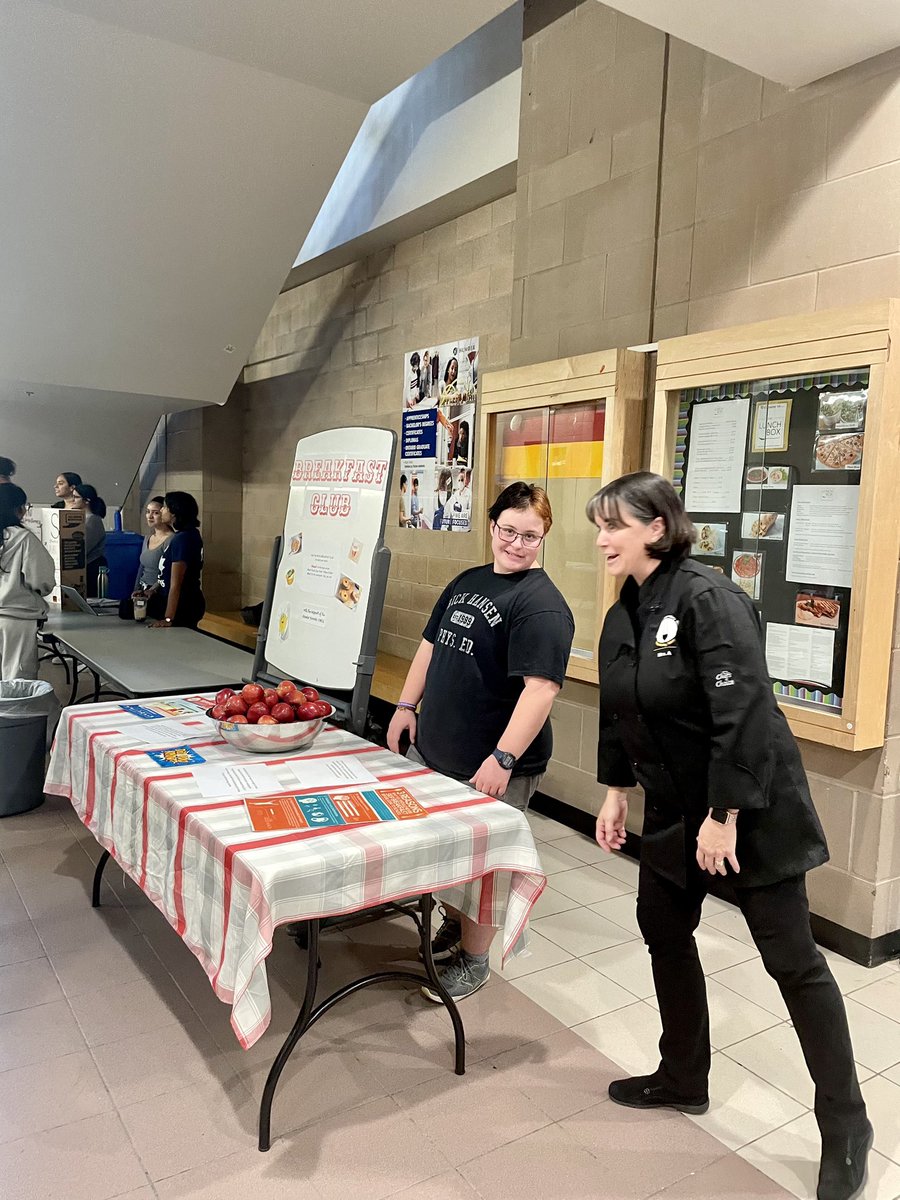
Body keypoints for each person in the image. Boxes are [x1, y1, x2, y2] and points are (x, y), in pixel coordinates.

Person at [589, 471, 871, 1200]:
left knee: (792, 961)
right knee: (662, 928)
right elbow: (620, 706)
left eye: (613, 525)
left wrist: (725, 815)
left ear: (656, 527)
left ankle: (847, 1125)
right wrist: (616, 791)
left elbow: (742, 712)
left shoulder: (710, 598)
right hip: (675, 811)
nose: (602, 538)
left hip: (749, 813)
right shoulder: (625, 608)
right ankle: (683, 1074)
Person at [387, 481, 574, 1001]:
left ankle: (475, 961)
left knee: (484, 871)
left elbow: (540, 692)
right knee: (446, 859)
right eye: (508, 531)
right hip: (437, 751)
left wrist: (503, 757)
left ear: (545, 537)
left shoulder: (542, 606)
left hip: (492, 766)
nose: (517, 544)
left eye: (530, 536)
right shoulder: (469, 580)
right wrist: (405, 707)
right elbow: (429, 647)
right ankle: (455, 926)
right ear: (492, 528)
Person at [0, 483, 55, 680]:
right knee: (17, 682)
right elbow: (42, 581)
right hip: (17, 621)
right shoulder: (24, 539)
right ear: (17, 509)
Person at [147, 491, 205, 629]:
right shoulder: (183, 535)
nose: (161, 510)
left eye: (165, 507)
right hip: (173, 600)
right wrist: (152, 590)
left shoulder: (183, 539)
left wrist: (168, 618)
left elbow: (176, 584)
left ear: (174, 512)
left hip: (184, 604)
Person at [118, 496, 173, 620]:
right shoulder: (148, 538)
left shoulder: (171, 539)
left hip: (158, 592)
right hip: (143, 591)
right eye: (148, 512)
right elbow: (141, 566)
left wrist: (152, 590)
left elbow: (168, 571)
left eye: (155, 513)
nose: (150, 516)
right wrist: (136, 590)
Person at [71, 484, 107, 596]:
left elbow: (84, 546)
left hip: (92, 566)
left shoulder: (93, 520)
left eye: (76, 497)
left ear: (86, 500)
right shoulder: (84, 518)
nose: (73, 500)